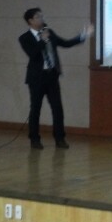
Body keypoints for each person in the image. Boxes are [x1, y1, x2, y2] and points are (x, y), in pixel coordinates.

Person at [18, 8, 92, 149]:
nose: (42, 18)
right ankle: (34, 139)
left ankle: (60, 138)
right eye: (38, 17)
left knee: (57, 108)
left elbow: (65, 43)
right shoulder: (24, 38)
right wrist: (43, 40)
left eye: (42, 16)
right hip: (36, 78)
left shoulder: (49, 32)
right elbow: (33, 54)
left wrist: (83, 35)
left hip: (52, 75)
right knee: (35, 109)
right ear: (30, 21)